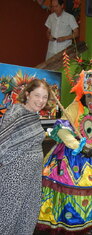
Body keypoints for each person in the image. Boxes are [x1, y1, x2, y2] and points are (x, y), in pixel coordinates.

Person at [36, 68, 92, 234]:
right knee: (71, 188)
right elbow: (62, 130)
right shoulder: (75, 107)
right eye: (89, 96)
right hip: (69, 155)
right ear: (83, 95)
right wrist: (78, 145)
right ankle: (67, 222)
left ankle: (88, 222)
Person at [0, 79, 50, 235]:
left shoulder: (34, 116)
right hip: (14, 177)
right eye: (37, 95)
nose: (41, 101)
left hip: (32, 177)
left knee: (28, 215)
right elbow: (2, 141)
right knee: (7, 217)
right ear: (27, 94)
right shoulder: (17, 112)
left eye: (45, 97)